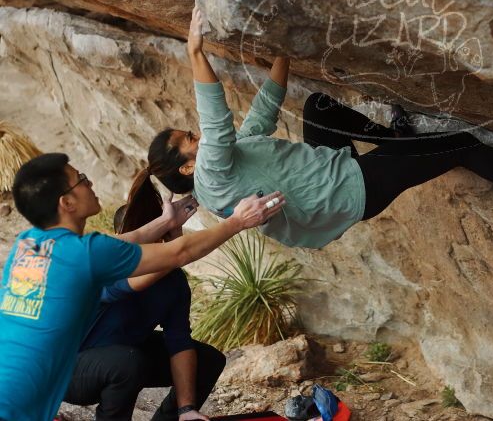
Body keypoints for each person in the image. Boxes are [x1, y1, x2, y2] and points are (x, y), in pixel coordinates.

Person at [138, 7, 493, 250]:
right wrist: (195, 53)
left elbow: (262, 112)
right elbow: (218, 127)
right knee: (460, 144)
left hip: (332, 171)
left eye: (190, 133)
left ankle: (395, 140)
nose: (198, 138)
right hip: (348, 192)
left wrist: (284, 51)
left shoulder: (223, 160)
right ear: (185, 169)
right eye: (189, 141)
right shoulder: (211, 177)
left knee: (318, 106)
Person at [0, 153, 285, 421]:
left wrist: (164, 222)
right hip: (35, 387)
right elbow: (178, 253)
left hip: (21, 379)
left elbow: (130, 239)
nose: (90, 182)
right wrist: (237, 221)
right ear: (67, 202)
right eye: (82, 179)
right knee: (127, 362)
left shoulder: (30, 244)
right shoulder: (85, 256)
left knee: (186, 358)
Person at [64, 170, 227, 421]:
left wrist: (187, 408)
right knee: (128, 361)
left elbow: (179, 343)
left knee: (207, 360)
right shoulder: (105, 266)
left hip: (123, 357)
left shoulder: (173, 283)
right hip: (68, 369)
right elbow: (136, 282)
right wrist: (174, 249)